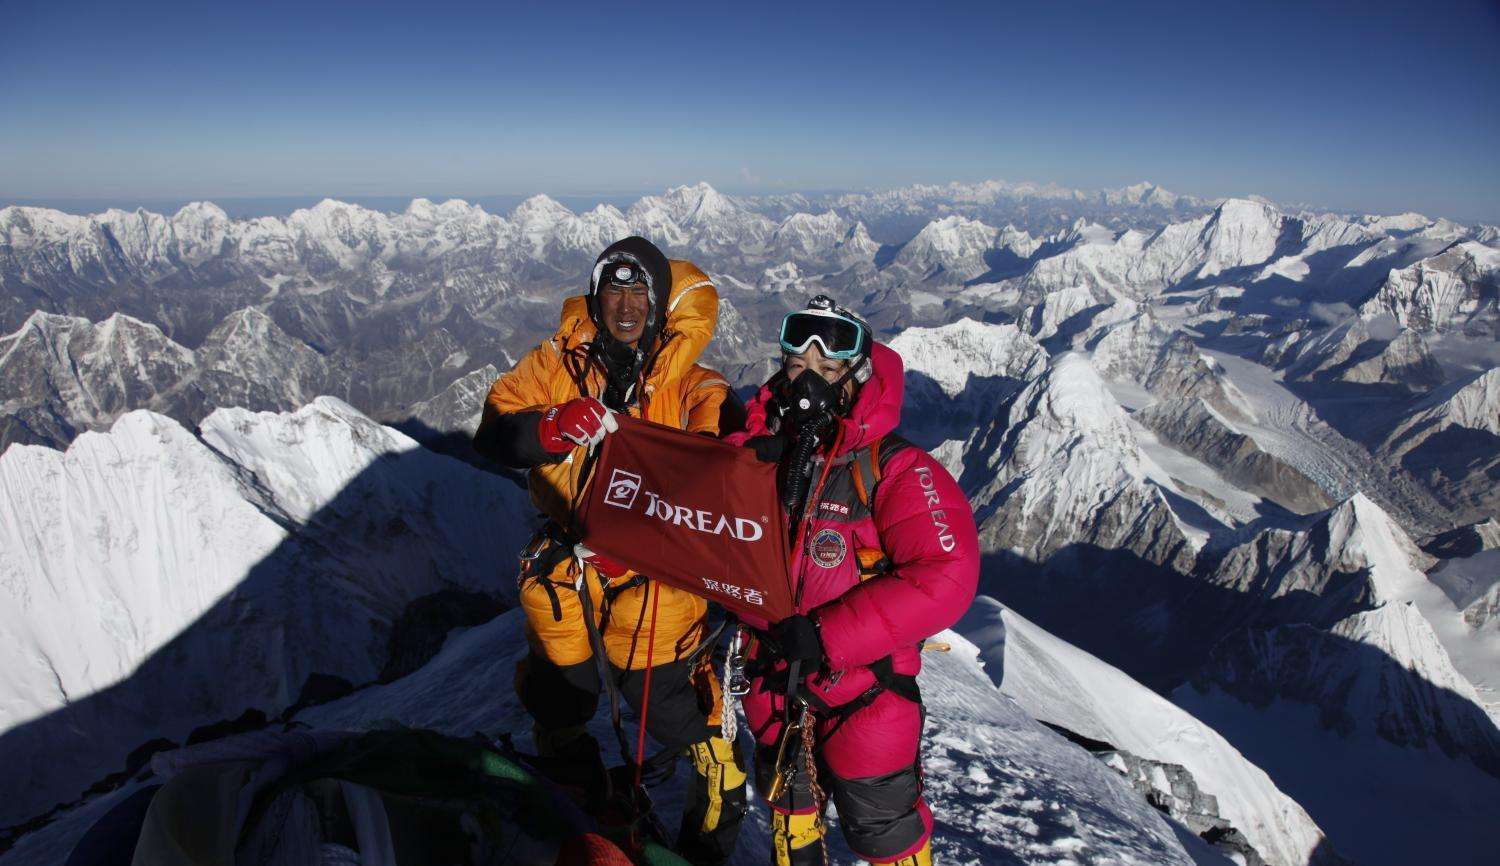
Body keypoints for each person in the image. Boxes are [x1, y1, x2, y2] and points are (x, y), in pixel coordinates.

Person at [473, 236, 747, 865]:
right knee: (558, 696)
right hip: (569, 565)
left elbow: (723, 459)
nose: (625, 304)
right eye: (613, 290)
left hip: (659, 581)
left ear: (658, 303)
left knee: (672, 709)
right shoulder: (557, 364)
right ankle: (584, 803)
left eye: (638, 291)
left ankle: (710, 827)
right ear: (594, 299)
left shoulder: (695, 385)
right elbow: (495, 428)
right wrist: (551, 428)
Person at [724, 296, 979, 866]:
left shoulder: (895, 469)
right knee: (792, 836)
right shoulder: (757, 457)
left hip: (865, 698)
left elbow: (947, 576)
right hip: (773, 693)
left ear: (856, 376)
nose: (808, 381)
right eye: (796, 367)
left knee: (886, 837)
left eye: (829, 368)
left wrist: (826, 635)